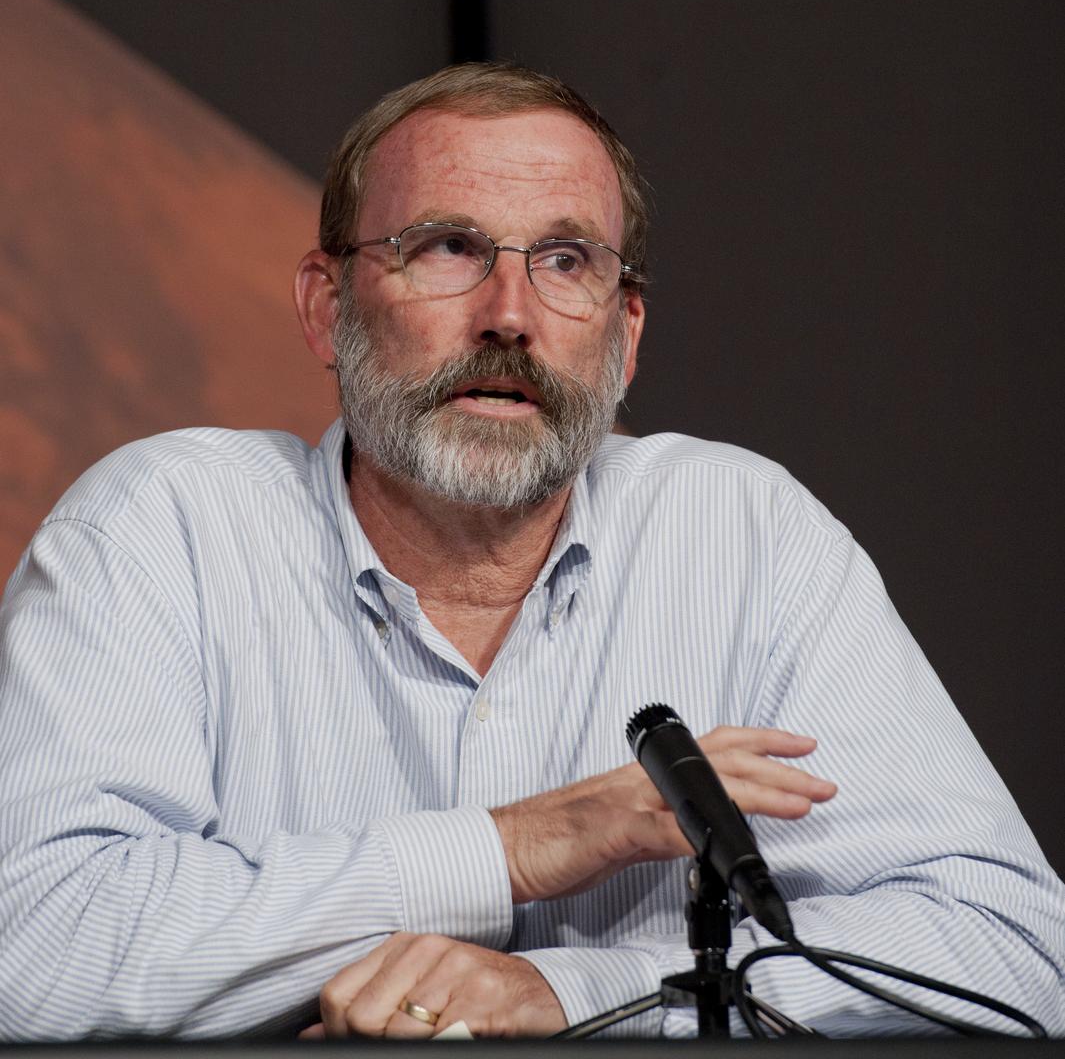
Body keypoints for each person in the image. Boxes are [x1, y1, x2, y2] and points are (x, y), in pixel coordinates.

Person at [0, 63, 1061, 1041]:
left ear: (626, 330)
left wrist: (579, 995)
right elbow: (29, 941)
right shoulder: (161, 528)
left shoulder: (746, 536)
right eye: (449, 246)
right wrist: (508, 848)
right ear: (329, 308)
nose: (509, 316)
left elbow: (1011, 942)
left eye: (564, 260)